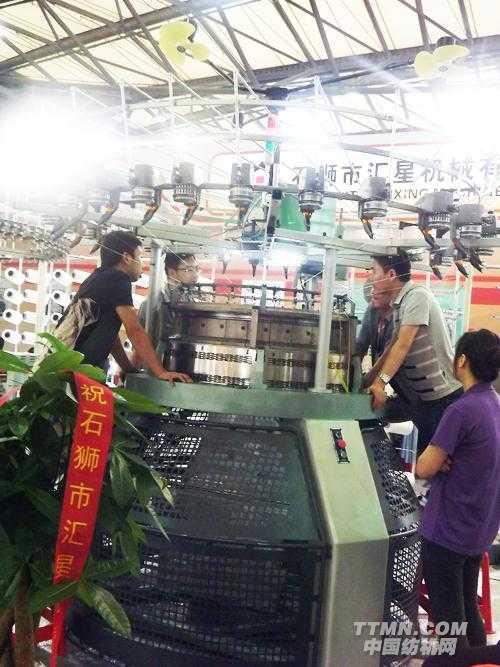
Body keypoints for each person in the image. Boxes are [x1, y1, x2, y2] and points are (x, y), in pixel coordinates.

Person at [416, 329, 500, 655]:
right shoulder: (494, 405)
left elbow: (425, 467)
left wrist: (437, 460)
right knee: (467, 609)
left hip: (447, 532)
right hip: (478, 529)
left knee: (450, 625)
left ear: (461, 360)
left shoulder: (461, 411)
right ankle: (481, 661)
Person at [53, 230, 190, 383]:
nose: (142, 264)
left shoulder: (96, 278)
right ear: (127, 258)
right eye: (139, 257)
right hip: (75, 372)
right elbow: (134, 330)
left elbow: (111, 339)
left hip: (62, 367)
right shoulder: (118, 279)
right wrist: (161, 372)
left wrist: (128, 368)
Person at [366, 250, 462, 456]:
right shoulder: (400, 304)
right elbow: (391, 348)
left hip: (445, 398)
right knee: (430, 459)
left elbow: (403, 344)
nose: (371, 277)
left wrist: (380, 383)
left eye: (374, 271)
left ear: (391, 274)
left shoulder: (417, 295)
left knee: (440, 462)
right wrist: (366, 382)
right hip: (426, 401)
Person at [136, 252, 199, 364]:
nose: (195, 275)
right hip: (156, 365)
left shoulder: (192, 301)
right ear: (171, 272)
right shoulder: (154, 304)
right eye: (189, 270)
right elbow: (139, 342)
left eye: (197, 269)